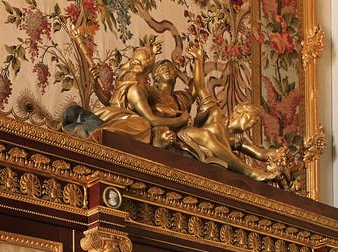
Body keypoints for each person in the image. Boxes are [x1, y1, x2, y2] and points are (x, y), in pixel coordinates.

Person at [178, 44, 292, 188]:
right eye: (249, 118)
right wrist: (198, 60)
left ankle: (249, 171)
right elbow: (200, 87)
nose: (251, 124)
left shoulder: (237, 140)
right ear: (238, 112)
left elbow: (260, 153)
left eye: (254, 122)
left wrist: (279, 152)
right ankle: (251, 173)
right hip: (190, 138)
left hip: (211, 158)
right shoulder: (215, 112)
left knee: (230, 154)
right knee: (209, 136)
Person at [71, 27, 190, 143]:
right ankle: (101, 131)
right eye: (134, 61)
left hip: (115, 116)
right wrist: (181, 120)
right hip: (118, 118)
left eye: (137, 62)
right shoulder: (135, 89)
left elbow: (110, 102)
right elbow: (151, 120)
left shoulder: (140, 87)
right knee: (144, 125)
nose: (133, 65)